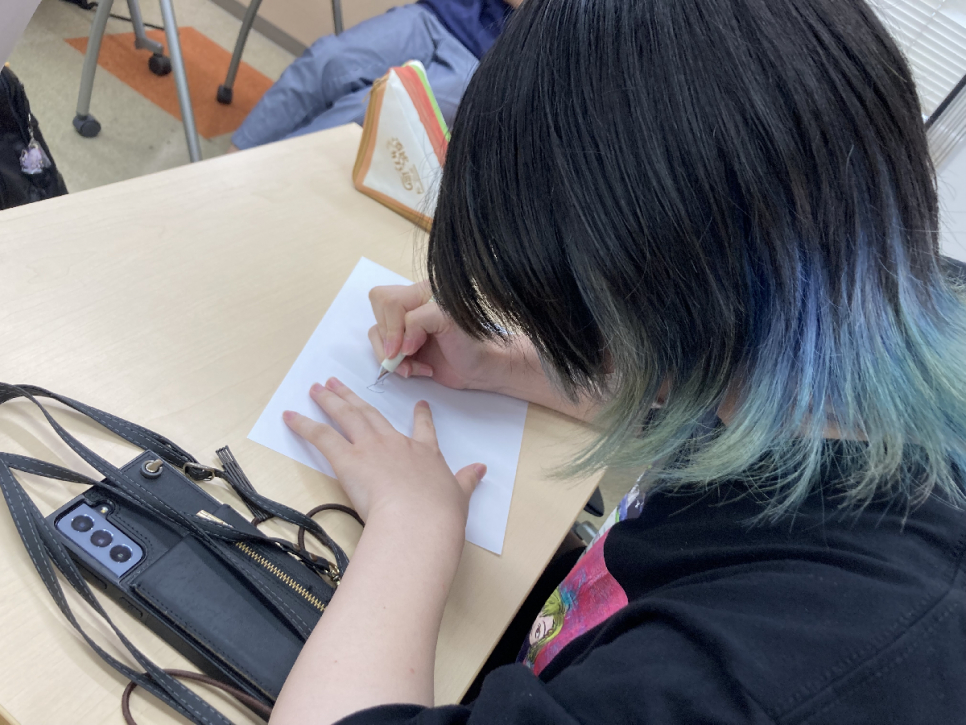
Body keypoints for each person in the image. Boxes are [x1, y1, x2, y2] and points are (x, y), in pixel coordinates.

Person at [273, 0, 966, 722]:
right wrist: (511, 363)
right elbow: (718, 396)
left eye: (564, 311)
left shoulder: (762, 673)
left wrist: (412, 526)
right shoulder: (880, 300)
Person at [229, 0, 522, 152]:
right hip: (439, 13)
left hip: (486, 61)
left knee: (368, 111)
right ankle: (227, 167)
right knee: (327, 60)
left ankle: (257, 189)